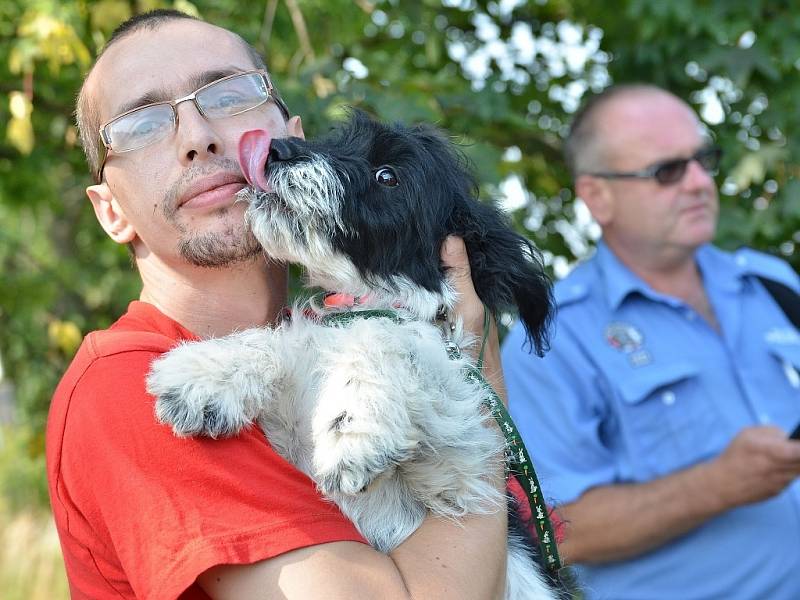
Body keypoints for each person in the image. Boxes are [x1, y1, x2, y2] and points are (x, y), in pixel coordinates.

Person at [46, 10, 512, 599]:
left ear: (290, 138)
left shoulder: (364, 356)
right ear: (109, 209)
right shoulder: (125, 386)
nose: (198, 136)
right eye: (140, 124)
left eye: (228, 93)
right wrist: (476, 380)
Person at [501, 83, 800, 599]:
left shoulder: (771, 284)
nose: (700, 183)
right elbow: (553, 533)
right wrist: (718, 484)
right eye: (667, 171)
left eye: (704, 160)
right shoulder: (551, 338)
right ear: (598, 196)